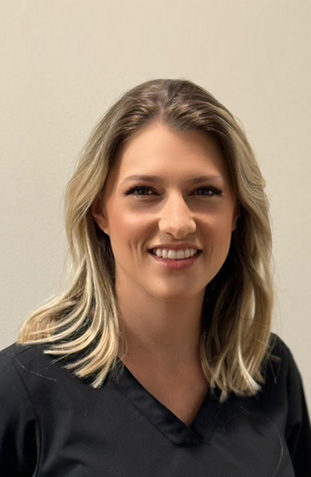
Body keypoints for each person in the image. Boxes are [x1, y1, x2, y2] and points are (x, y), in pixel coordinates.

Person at [0, 79, 310, 476]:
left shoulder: (269, 371)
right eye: (145, 191)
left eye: (205, 192)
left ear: (237, 212)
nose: (178, 223)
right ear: (100, 210)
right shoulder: (24, 391)